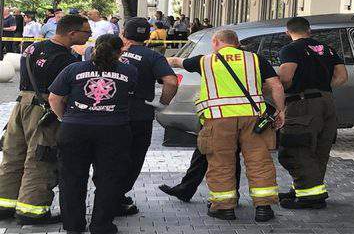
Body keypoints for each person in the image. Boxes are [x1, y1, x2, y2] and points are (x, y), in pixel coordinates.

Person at [166, 29, 285, 222]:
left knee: (221, 163)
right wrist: (281, 111)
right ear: (237, 43)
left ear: (215, 42)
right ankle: (263, 208)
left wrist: (156, 61)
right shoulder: (255, 59)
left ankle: (224, 208)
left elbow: (176, 62)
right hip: (253, 119)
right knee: (259, 161)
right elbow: (276, 85)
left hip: (218, 120)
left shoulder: (204, 61)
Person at [0, 15, 91, 225]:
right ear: (72, 33)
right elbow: (61, 93)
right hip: (44, 111)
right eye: (87, 32)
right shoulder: (65, 59)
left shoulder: (33, 48)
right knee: (41, 158)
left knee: (13, 155)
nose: (90, 36)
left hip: (21, 105)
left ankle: (5, 204)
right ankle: (32, 210)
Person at [48, 34, 137, 234]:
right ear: (120, 51)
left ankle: (73, 226)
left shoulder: (73, 69)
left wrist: (66, 118)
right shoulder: (129, 71)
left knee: (71, 179)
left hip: (74, 130)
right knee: (109, 179)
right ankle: (102, 226)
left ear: (94, 48)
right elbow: (131, 95)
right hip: (114, 131)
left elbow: (54, 98)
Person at [276, 17, 348, 209]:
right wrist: (321, 88)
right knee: (318, 149)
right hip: (327, 102)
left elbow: (286, 77)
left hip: (302, 104)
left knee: (296, 147)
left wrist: (276, 89)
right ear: (309, 30)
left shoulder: (290, 49)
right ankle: (302, 188)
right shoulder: (327, 49)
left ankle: (310, 197)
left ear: (287, 32)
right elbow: (342, 77)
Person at [117, 18, 178, 215]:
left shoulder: (112, 52)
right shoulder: (152, 56)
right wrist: (163, 104)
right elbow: (171, 81)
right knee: (134, 156)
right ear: (147, 35)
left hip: (111, 114)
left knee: (110, 156)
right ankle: (118, 195)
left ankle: (109, 194)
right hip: (140, 114)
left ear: (124, 33)